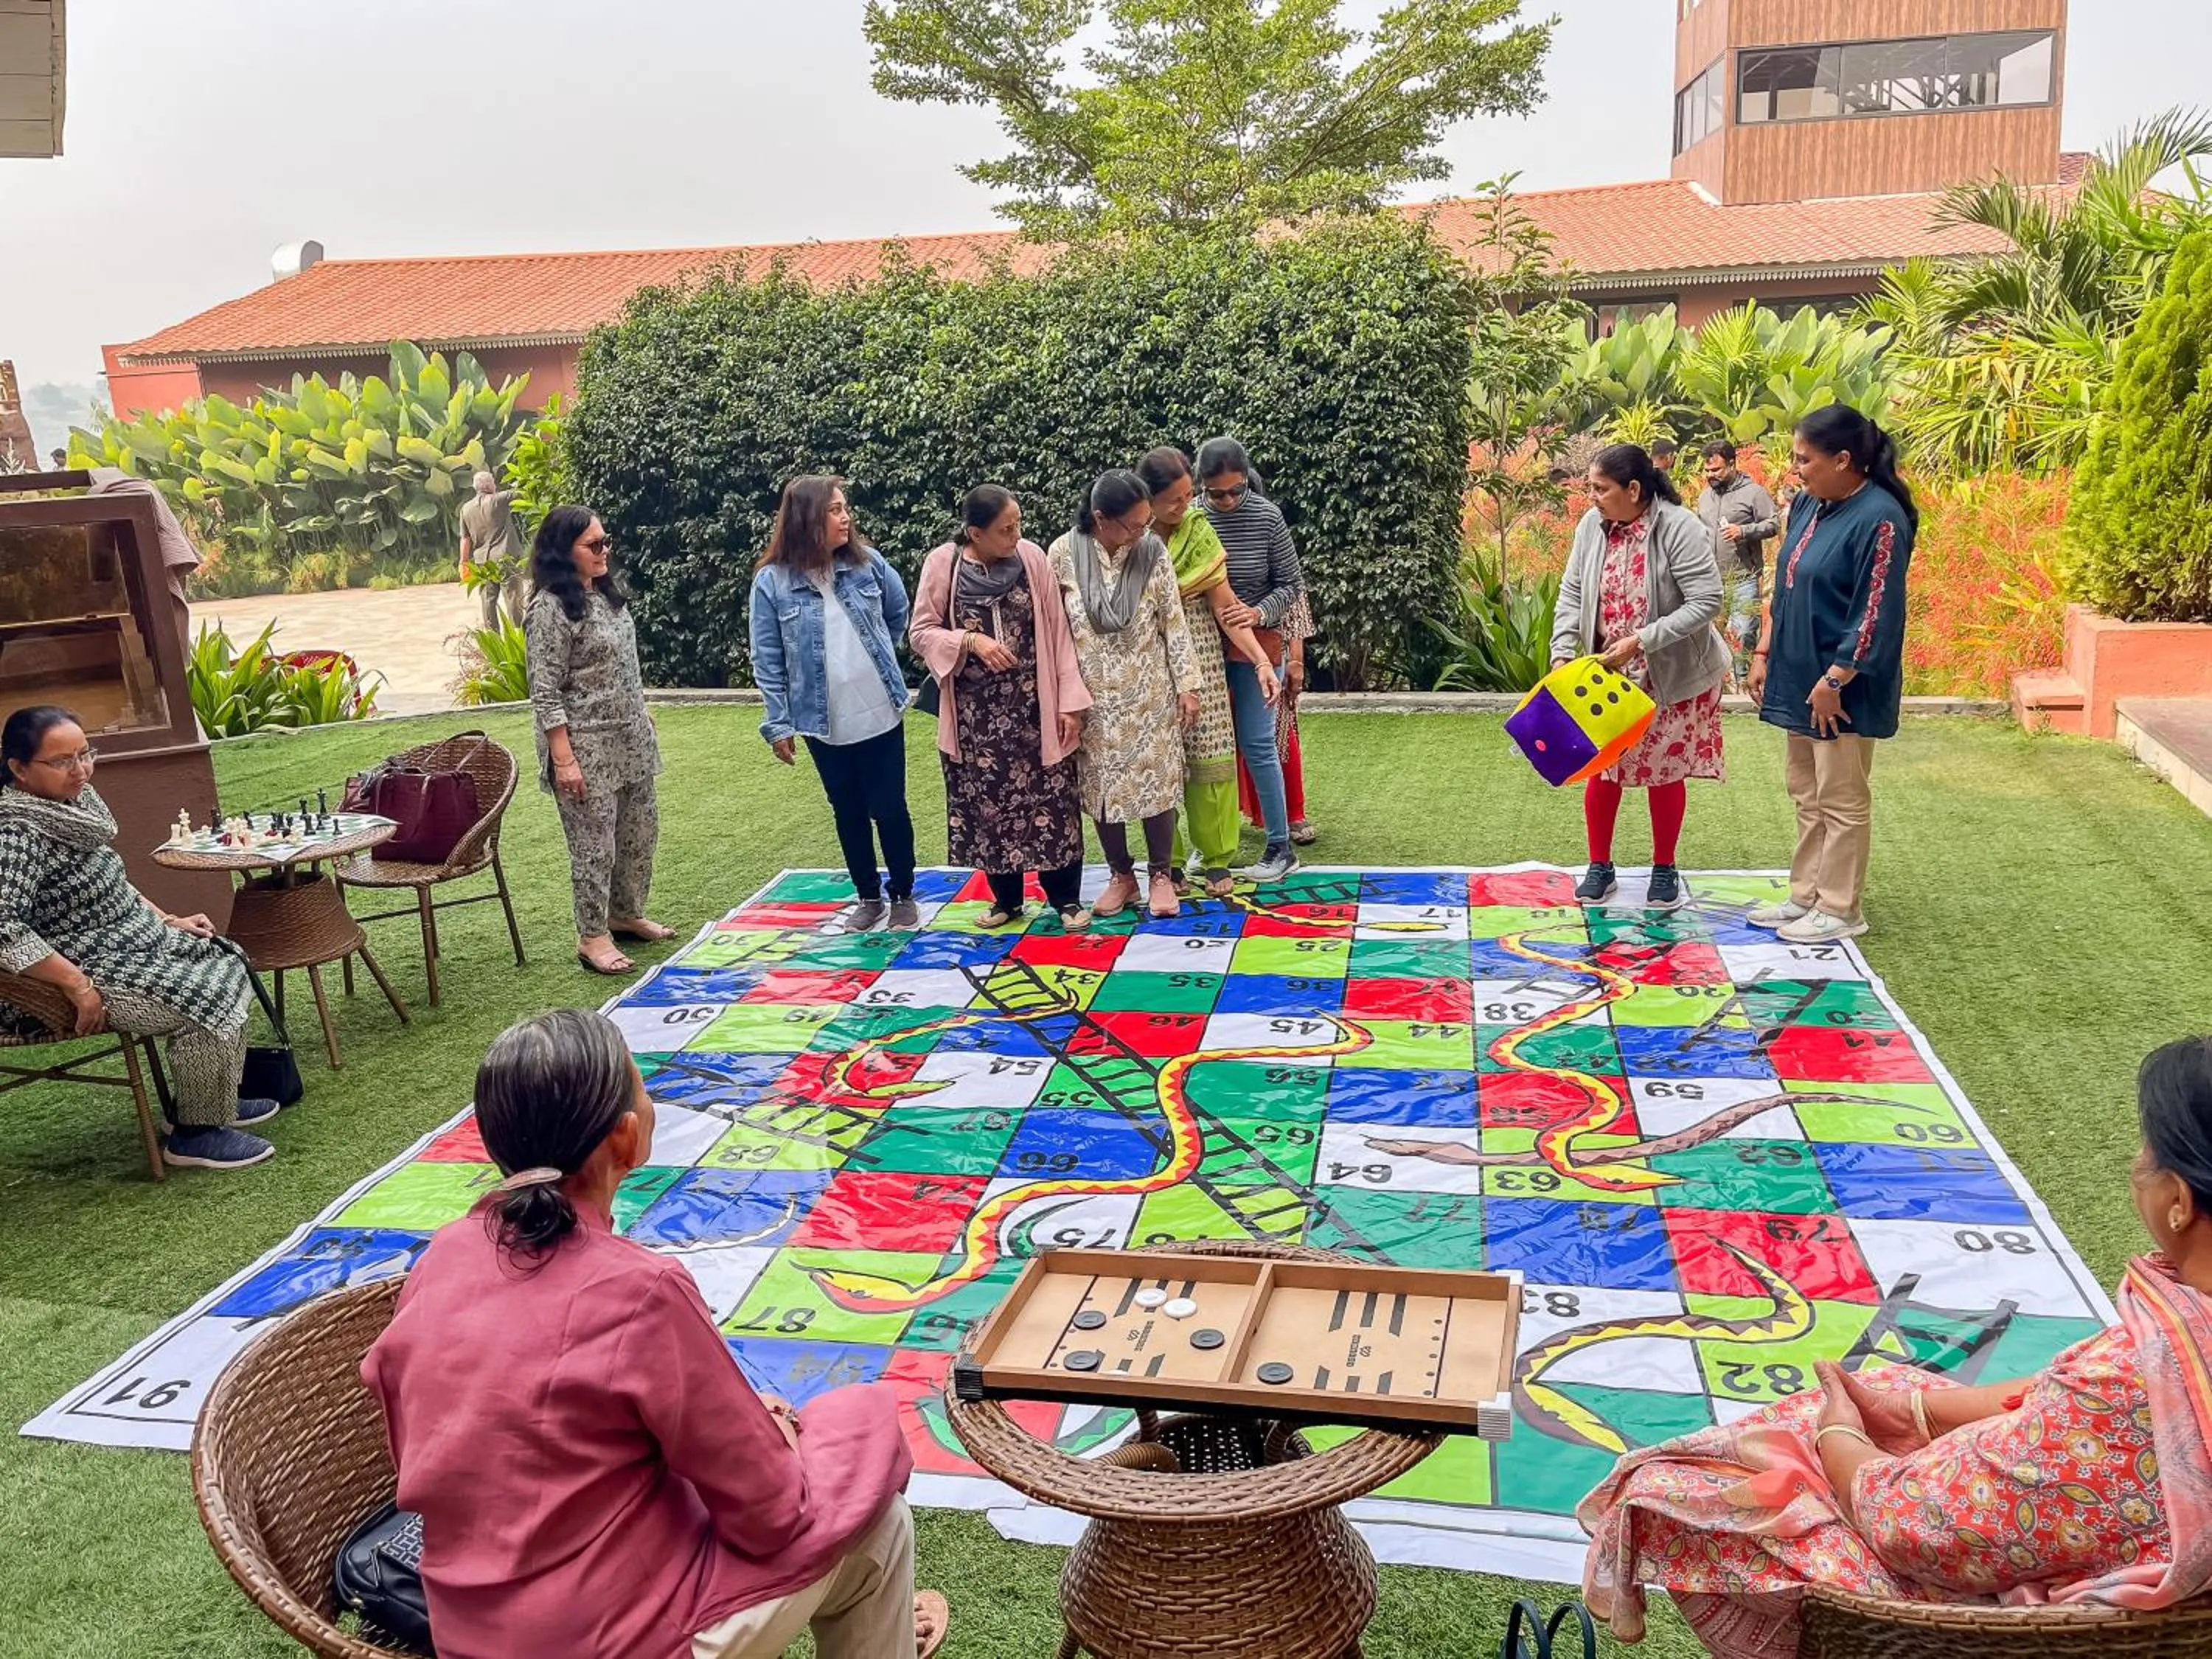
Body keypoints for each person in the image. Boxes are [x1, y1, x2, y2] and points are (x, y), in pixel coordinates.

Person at [1580, 1034, 2212, 1659]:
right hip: (2101, 1520)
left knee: (1673, 1487)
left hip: (2006, 1621)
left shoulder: (2125, 1385)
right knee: (1901, 1386)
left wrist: (1840, 1438)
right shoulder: (2172, 1331)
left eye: (2147, 1150)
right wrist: (1917, 1413)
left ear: (2179, 1203)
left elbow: (1909, 1528)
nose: (2136, 1164)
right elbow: (2048, 1401)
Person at [363, 1009, 947, 1659]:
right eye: (645, 1088)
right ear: (627, 1137)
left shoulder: (444, 1253)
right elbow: (772, 1517)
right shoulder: (641, 1290)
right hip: (602, 1638)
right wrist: (781, 1435)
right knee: (872, 1504)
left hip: (470, 1624)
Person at [0, 706, 277, 1169]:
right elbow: (4, 925)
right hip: (74, 965)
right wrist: (76, 985)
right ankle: (195, 1134)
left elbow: (111, 883)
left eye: (85, 754)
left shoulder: (73, 810)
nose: (82, 770)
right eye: (63, 761)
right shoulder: (16, 831)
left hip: (130, 940)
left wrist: (168, 919)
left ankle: (208, 1103)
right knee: (201, 997)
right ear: (19, 769)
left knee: (226, 958)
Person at [1747, 406, 1916, 947]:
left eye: (1805, 459)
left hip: (1841, 686)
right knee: (1806, 789)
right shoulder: (1808, 505)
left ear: (1844, 460)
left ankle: (1841, 908)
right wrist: (1765, 650)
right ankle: (1807, 895)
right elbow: (1785, 581)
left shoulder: (1880, 518)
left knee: (1841, 795)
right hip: (1799, 672)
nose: (1796, 469)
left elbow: (1877, 609)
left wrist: (1837, 677)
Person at [1551, 443, 1731, 912]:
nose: (1592, 497)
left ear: (1634, 489)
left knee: (1664, 772)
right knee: (1603, 767)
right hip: (1609, 672)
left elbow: (1707, 600)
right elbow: (1572, 591)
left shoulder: (1678, 527)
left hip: (1670, 673)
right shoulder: (1592, 526)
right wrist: (1560, 654)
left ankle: (1665, 868)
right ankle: (1599, 866)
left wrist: (1642, 641)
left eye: (1600, 489)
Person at [910, 485, 1093, 931]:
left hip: (1035, 708)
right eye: (1004, 529)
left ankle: (1065, 899)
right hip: (977, 718)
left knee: (1053, 802)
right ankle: (1006, 901)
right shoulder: (943, 564)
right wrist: (969, 641)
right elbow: (921, 632)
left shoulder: (1031, 559)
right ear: (975, 532)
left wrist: (1070, 704)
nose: (1016, 534)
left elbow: (1059, 632)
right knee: (989, 807)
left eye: (1018, 525)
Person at [751, 476, 919, 933]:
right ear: (808, 518)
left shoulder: (869, 565)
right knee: (847, 810)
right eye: (835, 510)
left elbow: (897, 612)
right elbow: (767, 658)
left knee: (890, 807)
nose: (846, 518)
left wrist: (878, 654)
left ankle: (903, 895)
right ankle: (868, 897)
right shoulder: (772, 583)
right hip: (822, 722)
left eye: (846, 508)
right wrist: (778, 723)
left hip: (881, 711)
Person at [1048, 470, 1201, 920]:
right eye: (1134, 525)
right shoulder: (1063, 554)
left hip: (1149, 691)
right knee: (1101, 786)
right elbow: (1056, 631)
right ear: (1101, 519)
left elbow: (1173, 620)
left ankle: (1160, 875)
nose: (1143, 532)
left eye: (1146, 522)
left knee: (1156, 783)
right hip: (1091, 697)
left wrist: (1188, 686)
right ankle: (1122, 877)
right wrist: (1065, 697)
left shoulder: (1151, 552)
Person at [526, 505, 671, 977]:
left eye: (607, 542)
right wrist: (564, 760)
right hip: (584, 746)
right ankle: (592, 936)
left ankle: (625, 914)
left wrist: (641, 709)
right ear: (562, 552)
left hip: (629, 738)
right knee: (594, 847)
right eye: (594, 545)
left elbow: (624, 664)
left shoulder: (607, 596)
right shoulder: (549, 610)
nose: (605, 551)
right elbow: (544, 691)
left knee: (639, 832)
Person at [1136, 446, 1277, 899]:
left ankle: (1216, 859)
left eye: (1188, 495)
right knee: (1158, 765)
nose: (1186, 506)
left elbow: (1227, 608)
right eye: (1175, 500)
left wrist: (1260, 661)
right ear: (1148, 500)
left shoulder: (1199, 533)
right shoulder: (1130, 544)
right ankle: (1168, 864)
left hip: (1202, 664)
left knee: (1211, 759)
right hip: (1148, 665)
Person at [1197, 437, 1304, 883]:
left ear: (1247, 482)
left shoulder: (1266, 515)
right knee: (1206, 749)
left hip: (1260, 644)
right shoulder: (1191, 518)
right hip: (1204, 645)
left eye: (1235, 491)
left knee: (1259, 745)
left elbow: (1291, 584)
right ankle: (1213, 845)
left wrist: (1259, 612)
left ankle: (1280, 846)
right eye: (1215, 493)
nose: (1225, 501)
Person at [1236, 592, 1318, 846]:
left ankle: (1293, 813)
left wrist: (1296, 659)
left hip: (1272, 647)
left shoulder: (1280, 553)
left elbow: (1294, 595)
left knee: (1278, 730)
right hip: (1221, 645)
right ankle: (1221, 825)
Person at [1698, 440, 1781, 686]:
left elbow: (1774, 524)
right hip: (1710, 578)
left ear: (1732, 464)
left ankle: (1744, 683)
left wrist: (1743, 531)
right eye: (1708, 471)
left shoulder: (1754, 493)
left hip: (1743, 577)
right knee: (1710, 635)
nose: (1711, 475)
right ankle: (1716, 685)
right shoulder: (1705, 497)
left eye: (1717, 470)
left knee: (1744, 631)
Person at [459, 471, 529, 630]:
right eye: (494, 483)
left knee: (487, 600)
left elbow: (465, 539)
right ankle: (517, 638)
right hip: (505, 558)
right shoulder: (500, 499)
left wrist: (463, 562)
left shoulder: (466, 509)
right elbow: (523, 493)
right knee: (513, 597)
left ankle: (494, 641)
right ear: (490, 485)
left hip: (482, 561)